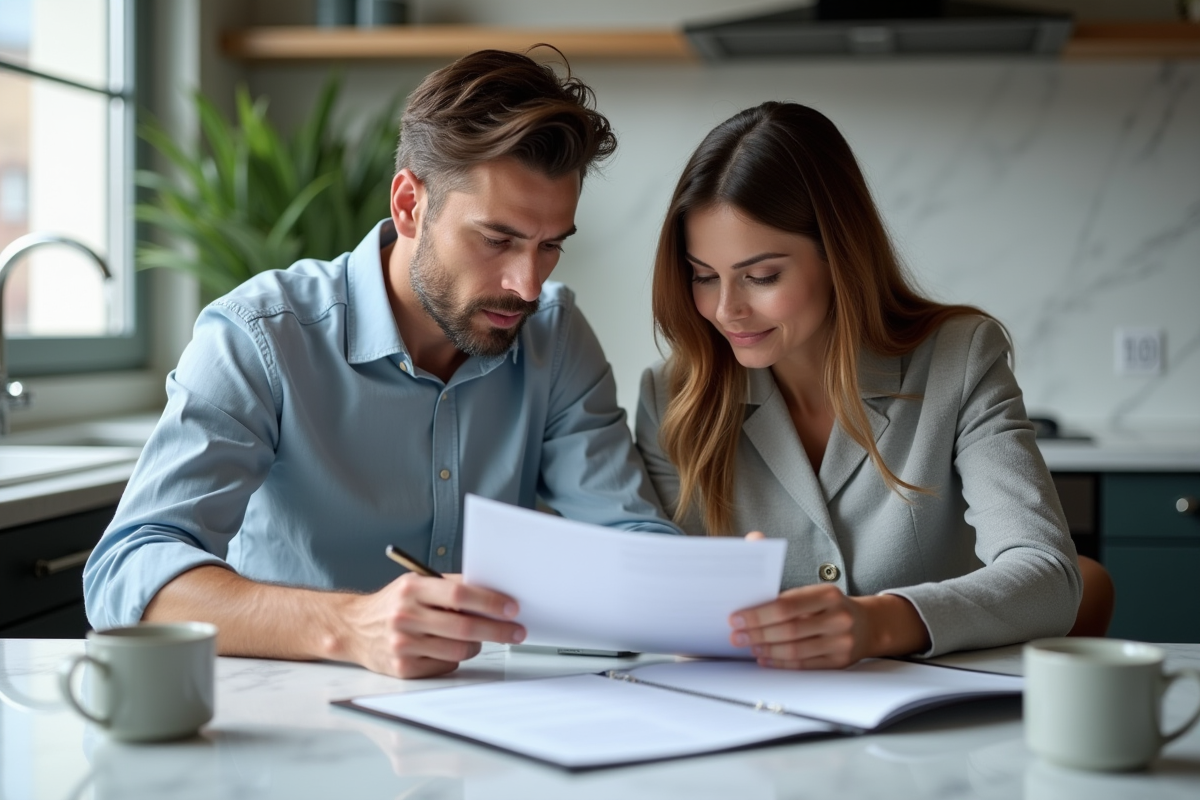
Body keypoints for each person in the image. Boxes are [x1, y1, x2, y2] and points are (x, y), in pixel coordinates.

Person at [84, 49, 678, 679]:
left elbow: (627, 536)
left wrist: (712, 598)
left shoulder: (553, 336)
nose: (527, 285)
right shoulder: (260, 336)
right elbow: (127, 573)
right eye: (496, 240)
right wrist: (347, 625)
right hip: (290, 728)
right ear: (409, 205)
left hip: (489, 720)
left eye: (550, 245)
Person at [636, 101, 1083, 670]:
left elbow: (1049, 576)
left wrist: (880, 621)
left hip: (928, 734)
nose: (726, 310)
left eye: (762, 276)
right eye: (703, 276)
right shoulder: (669, 396)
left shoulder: (960, 358)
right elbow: (657, 600)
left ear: (839, 256)